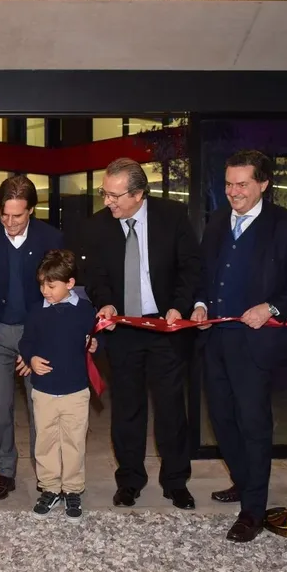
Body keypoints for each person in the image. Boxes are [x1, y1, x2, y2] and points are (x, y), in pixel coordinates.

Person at [190, 150, 287, 542]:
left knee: (254, 424)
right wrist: (198, 304)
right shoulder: (215, 222)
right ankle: (244, 483)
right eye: (228, 184)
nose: (233, 192)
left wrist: (271, 307)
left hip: (258, 344)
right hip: (215, 340)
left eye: (242, 184)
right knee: (223, 421)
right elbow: (202, 274)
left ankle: (254, 510)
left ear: (263, 184)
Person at [81, 158, 202, 511]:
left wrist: (179, 305)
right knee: (127, 410)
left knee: (170, 410)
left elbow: (189, 267)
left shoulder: (172, 216)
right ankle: (130, 480)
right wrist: (105, 303)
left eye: (114, 195)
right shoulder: (98, 226)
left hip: (165, 327)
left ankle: (176, 481)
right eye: (104, 193)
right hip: (124, 331)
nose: (107, 202)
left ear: (138, 194)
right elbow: (97, 276)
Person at [0, 175, 64, 500]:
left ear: (32, 211)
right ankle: (4, 471)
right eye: (4, 214)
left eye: (17, 216)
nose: (9, 222)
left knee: (41, 406)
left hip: (36, 330)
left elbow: (55, 297)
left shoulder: (52, 237)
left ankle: (46, 473)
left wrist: (34, 343)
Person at [18, 250, 98, 522]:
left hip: (76, 390)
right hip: (43, 390)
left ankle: (73, 489)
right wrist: (31, 357)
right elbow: (26, 341)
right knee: (46, 440)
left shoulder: (86, 311)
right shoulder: (37, 312)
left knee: (74, 441)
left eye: (51, 286)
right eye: (42, 285)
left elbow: (96, 337)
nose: (45, 291)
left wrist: (98, 344)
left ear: (70, 284)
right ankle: (50, 487)